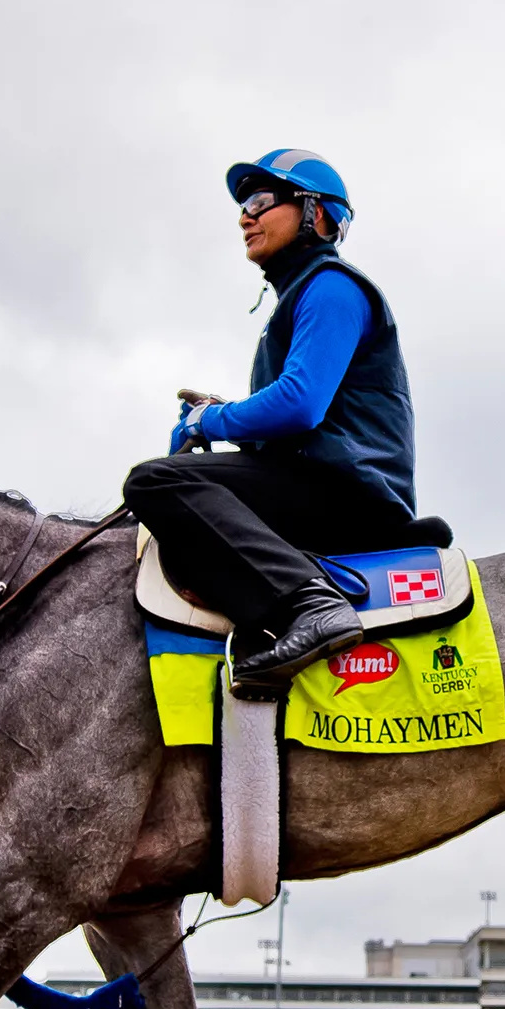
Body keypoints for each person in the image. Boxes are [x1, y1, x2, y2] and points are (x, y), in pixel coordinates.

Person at [123, 148, 419, 691]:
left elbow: (300, 404)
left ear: (318, 214)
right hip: (315, 480)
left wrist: (210, 421)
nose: (245, 216)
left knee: (154, 481)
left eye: (261, 200)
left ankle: (311, 605)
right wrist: (222, 417)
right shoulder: (299, 297)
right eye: (242, 206)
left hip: (347, 492)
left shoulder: (332, 287)